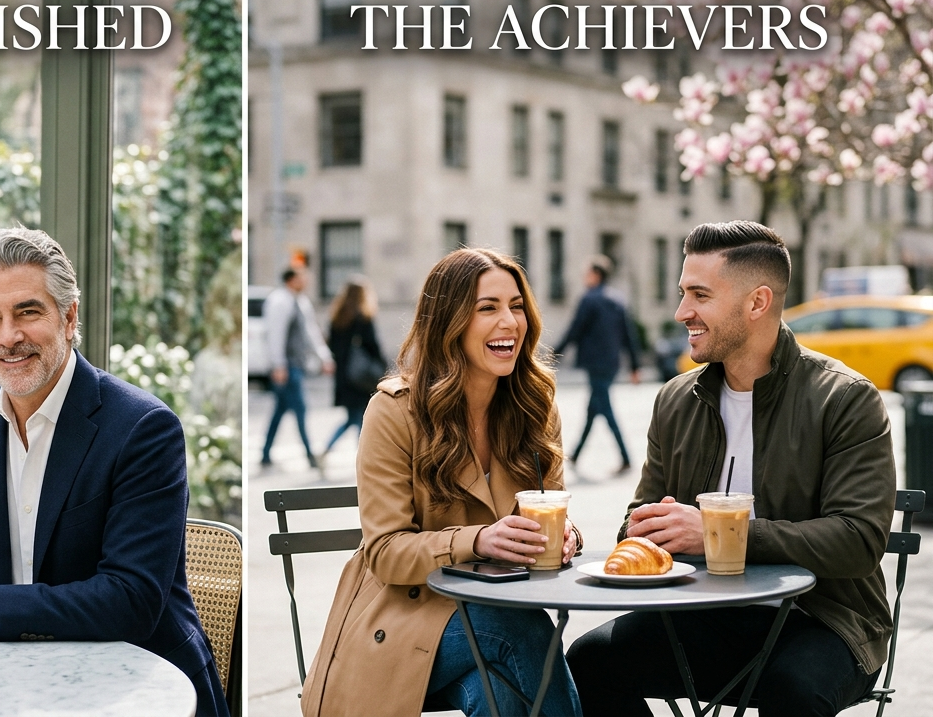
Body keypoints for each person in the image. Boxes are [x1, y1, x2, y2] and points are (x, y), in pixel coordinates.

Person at [0, 227, 229, 717]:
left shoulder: (142, 428)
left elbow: (131, 599)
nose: (8, 336)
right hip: (11, 685)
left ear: (69, 316)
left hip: (141, 686)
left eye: (28, 312)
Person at [567, 221, 895, 717]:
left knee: (793, 691)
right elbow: (636, 519)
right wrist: (646, 530)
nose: (682, 313)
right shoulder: (676, 399)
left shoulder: (845, 399)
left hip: (826, 619)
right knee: (591, 659)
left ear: (757, 303)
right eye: (682, 293)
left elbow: (858, 541)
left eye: (700, 295)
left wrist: (719, 534)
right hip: (704, 613)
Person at [301, 248, 582, 717]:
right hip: (400, 620)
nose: (510, 322)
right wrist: (481, 540)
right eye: (487, 308)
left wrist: (566, 537)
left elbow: (551, 509)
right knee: (516, 626)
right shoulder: (395, 411)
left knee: (503, 701)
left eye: (516, 306)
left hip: (487, 624)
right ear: (448, 321)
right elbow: (386, 551)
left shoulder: (535, 407)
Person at [554, 255, 640, 473]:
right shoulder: (617, 301)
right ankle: (576, 454)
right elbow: (628, 336)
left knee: (605, 409)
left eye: (587, 273)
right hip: (612, 363)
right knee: (594, 409)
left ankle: (626, 457)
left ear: (596, 275)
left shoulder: (589, 299)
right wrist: (634, 366)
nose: (585, 278)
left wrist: (555, 354)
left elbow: (575, 330)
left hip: (595, 363)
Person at [260, 267, 333, 468]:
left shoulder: (300, 301)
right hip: (288, 367)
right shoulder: (280, 301)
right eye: (303, 277)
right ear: (292, 280)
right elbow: (275, 335)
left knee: (279, 412)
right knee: (300, 409)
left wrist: (324, 358)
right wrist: (278, 365)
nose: (307, 281)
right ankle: (310, 455)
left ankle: (265, 453)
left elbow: (311, 334)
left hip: (295, 365)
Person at [322, 275, 383, 458]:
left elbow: (332, 347)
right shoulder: (363, 318)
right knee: (361, 420)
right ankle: (362, 460)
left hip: (344, 376)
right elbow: (374, 347)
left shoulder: (337, 318)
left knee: (353, 419)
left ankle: (328, 451)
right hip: (361, 377)